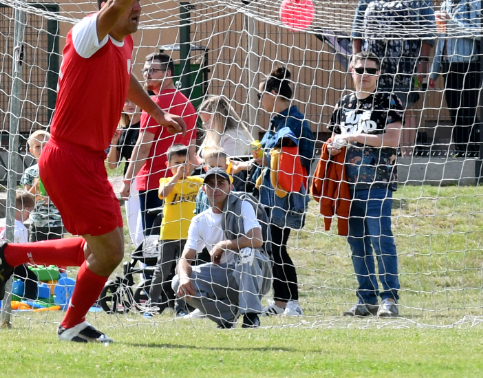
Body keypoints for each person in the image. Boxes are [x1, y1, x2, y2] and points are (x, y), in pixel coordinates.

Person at [0, 0, 186, 344]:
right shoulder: (87, 32)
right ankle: (71, 324)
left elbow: (127, 78)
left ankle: (12, 254)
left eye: (139, 5)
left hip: (87, 160)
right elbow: (116, 6)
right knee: (111, 251)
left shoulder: (122, 43)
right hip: (68, 155)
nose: (138, 10)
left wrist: (156, 111)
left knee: (103, 247)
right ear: (108, 6)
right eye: (132, 4)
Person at [325, 52, 404, 318]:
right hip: (347, 185)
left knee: (381, 239)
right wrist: (335, 145)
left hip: (378, 182)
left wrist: (355, 136)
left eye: (371, 70)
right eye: (360, 70)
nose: (365, 75)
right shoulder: (343, 103)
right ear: (351, 71)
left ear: (379, 73)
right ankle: (366, 299)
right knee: (357, 244)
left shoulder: (388, 100)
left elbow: (392, 140)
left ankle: (389, 299)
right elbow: (334, 138)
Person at [122, 51, 198, 260]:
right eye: (144, 70)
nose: (146, 74)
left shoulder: (154, 105)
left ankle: (150, 288)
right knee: (178, 241)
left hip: (155, 183)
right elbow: (192, 151)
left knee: (152, 243)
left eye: (153, 70)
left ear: (169, 74)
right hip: (181, 184)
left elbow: (143, 146)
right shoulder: (188, 104)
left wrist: (127, 180)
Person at [173, 167, 269, 329]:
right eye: (210, 184)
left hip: (254, 274)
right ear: (203, 189)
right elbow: (185, 259)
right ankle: (226, 316)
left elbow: (257, 239)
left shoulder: (243, 205)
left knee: (247, 253)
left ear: (230, 187)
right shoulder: (199, 220)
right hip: (224, 276)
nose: (215, 188)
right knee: (176, 282)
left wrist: (223, 245)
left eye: (221, 183)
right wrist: (183, 276)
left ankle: (251, 316)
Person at [257, 67, 315, 317]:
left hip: (286, 196)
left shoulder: (294, 120)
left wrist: (269, 157)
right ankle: (280, 302)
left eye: (261, 96)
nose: (260, 102)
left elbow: (301, 158)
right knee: (272, 246)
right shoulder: (275, 120)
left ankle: (293, 303)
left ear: (272, 93)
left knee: (278, 246)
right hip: (269, 194)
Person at [351, 0, 436, 109]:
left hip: (405, 65)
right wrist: (355, 57)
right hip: (373, 65)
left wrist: (423, 61)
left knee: (403, 110)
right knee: (372, 108)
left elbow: (428, 30)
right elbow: (357, 27)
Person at [431, 0, 483, 156]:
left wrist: (451, 22)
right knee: (454, 109)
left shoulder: (475, 1)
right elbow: (441, 39)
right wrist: (434, 72)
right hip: (449, 66)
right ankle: (460, 150)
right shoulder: (445, 4)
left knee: (467, 109)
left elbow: (479, 33)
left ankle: (474, 150)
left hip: (469, 64)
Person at [145, 143, 203, 316]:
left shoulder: (198, 182)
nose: (182, 166)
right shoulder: (166, 181)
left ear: (192, 163)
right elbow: (163, 192)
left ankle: (181, 308)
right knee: (161, 271)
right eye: (177, 163)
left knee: (183, 272)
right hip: (168, 236)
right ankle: (150, 305)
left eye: (185, 162)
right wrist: (177, 176)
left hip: (189, 237)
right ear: (168, 165)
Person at [0, 191, 39, 301]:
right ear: (25, 209)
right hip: (9, 261)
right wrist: (27, 266)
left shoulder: (1, 223)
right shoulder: (21, 227)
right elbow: (24, 251)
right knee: (31, 277)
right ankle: (29, 300)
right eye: (29, 212)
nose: (28, 216)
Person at [20, 130, 63, 241]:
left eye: (45, 145)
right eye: (37, 146)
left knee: (56, 257)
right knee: (36, 255)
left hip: (57, 222)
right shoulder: (30, 172)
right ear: (31, 151)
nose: (42, 149)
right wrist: (39, 181)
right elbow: (27, 198)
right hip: (37, 222)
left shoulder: (60, 170)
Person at [197, 94, 256, 160]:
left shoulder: (234, 138)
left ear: (219, 119)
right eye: (204, 123)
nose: (206, 127)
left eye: (208, 122)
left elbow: (228, 165)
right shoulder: (214, 133)